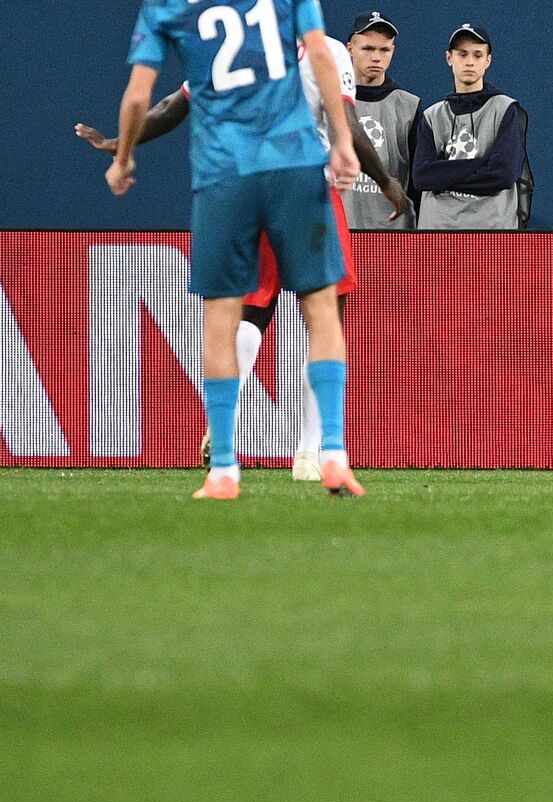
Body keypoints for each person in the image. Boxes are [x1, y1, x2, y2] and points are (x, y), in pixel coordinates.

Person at [81, 30, 406, 482]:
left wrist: (125, 142)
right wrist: (388, 182)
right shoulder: (326, 50)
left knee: (253, 310)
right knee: (327, 315)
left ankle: (225, 421)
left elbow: (175, 106)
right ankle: (311, 453)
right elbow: (343, 126)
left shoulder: (226, 45)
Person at [413, 23, 532, 230]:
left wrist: (443, 174)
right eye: (462, 54)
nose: (469, 62)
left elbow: (503, 173)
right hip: (438, 231)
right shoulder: (432, 116)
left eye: (477, 55)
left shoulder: (505, 109)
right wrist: (483, 163)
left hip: (491, 230)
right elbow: (422, 177)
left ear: (488, 61)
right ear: (449, 58)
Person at [344, 10, 421, 230]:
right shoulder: (329, 102)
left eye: (384, 50)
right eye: (368, 48)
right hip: (340, 232)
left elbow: (418, 185)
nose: (376, 57)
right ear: (350, 49)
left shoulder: (409, 106)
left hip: (395, 236)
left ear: (393, 51)